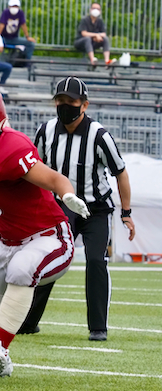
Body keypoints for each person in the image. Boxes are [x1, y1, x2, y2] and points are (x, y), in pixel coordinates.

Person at [0, 83, 90, 379]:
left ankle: (0, 349)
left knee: (22, 270)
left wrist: (68, 195)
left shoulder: (11, 147)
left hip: (48, 237)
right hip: (8, 241)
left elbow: (54, 178)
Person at [19, 76, 135, 342]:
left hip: (95, 209)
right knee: (49, 261)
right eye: (60, 101)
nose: (64, 106)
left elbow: (121, 173)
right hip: (60, 207)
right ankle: (28, 321)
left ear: (84, 105)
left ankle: (98, 327)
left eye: (70, 101)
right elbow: (32, 169)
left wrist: (126, 213)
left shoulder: (99, 135)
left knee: (96, 260)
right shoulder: (45, 131)